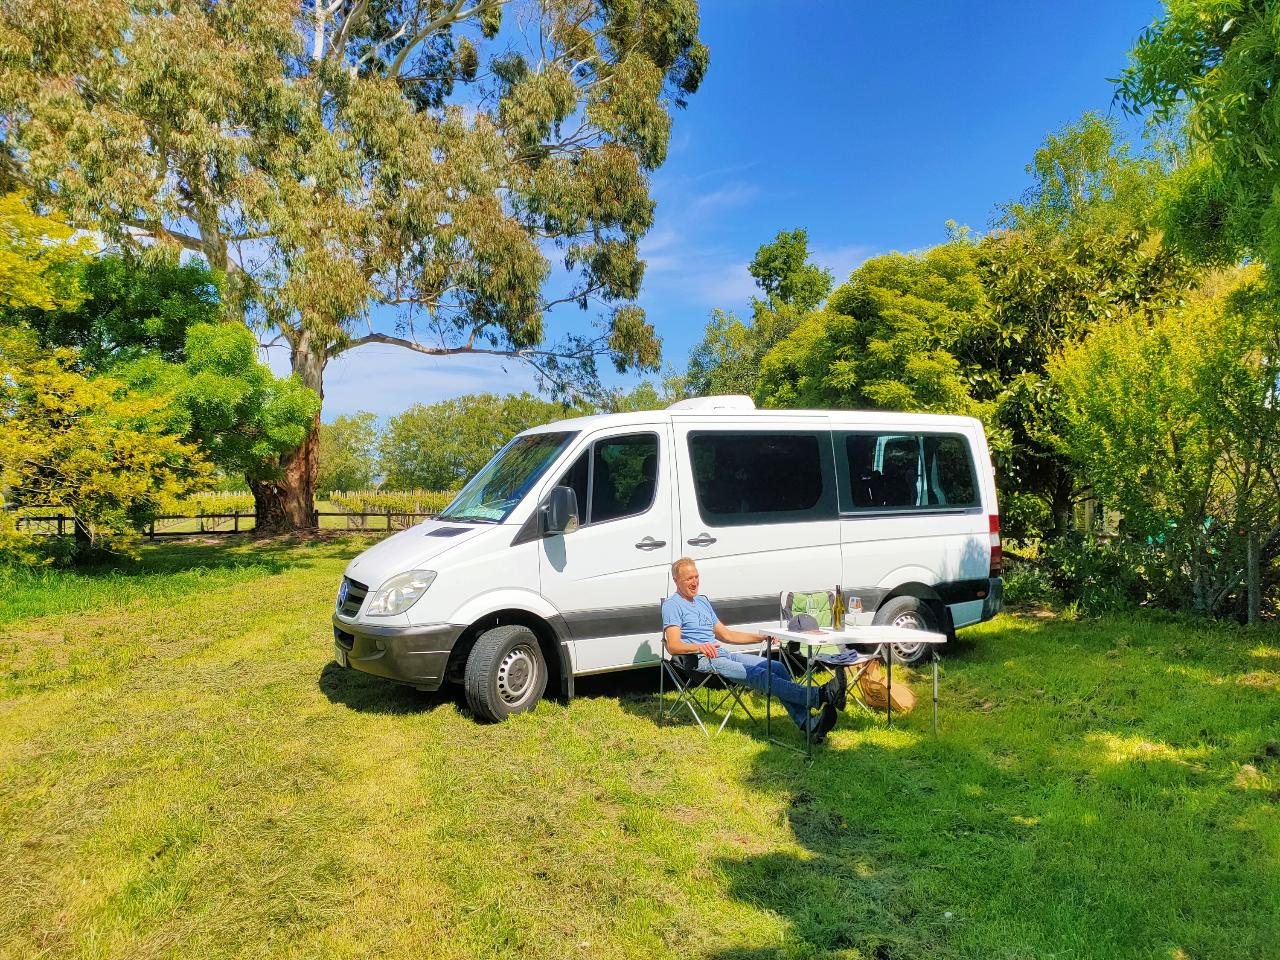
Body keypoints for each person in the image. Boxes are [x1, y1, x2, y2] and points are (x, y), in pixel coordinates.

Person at [661, 557, 846, 743]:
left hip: (723, 655)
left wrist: (760, 637)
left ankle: (808, 724)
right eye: (689, 579)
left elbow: (726, 635)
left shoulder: (702, 602)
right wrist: (699, 646)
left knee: (777, 667)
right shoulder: (672, 605)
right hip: (700, 660)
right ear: (676, 580)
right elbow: (673, 645)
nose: (694, 582)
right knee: (760, 675)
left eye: (696, 577)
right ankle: (820, 694)